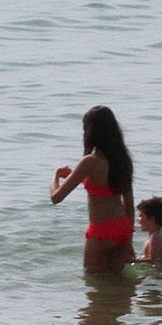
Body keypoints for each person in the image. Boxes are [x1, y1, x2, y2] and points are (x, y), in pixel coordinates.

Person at [50, 105, 137, 275]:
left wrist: (56, 175)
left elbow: (56, 197)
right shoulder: (123, 160)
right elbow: (130, 207)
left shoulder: (90, 161)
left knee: (94, 281)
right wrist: (129, 241)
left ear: (90, 132)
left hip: (101, 230)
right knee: (119, 285)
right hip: (123, 228)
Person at [133, 196, 162, 267]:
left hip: (160, 273)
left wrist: (131, 260)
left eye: (141, 216)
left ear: (152, 220)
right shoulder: (153, 236)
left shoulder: (156, 237)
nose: (138, 220)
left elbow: (152, 260)